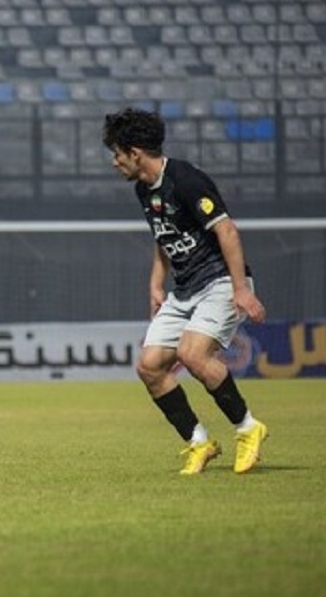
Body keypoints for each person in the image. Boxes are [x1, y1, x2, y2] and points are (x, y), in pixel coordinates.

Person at [103, 107, 268, 475]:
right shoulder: (143, 189)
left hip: (220, 281)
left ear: (135, 153)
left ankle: (248, 428)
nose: (114, 162)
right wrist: (155, 283)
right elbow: (163, 237)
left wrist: (241, 289)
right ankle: (199, 442)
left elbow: (227, 231)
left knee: (192, 354)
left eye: (117, 153)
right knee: (149, 367)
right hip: (185, 289)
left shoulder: (186, 179)